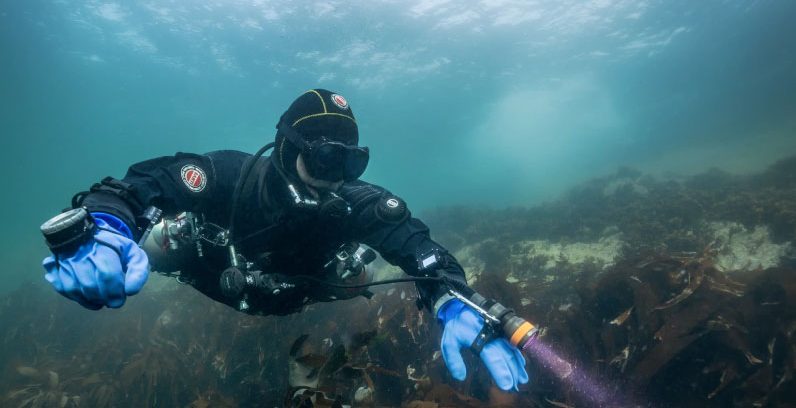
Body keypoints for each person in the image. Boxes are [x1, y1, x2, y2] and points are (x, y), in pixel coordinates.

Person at [39, 89, 528, 391]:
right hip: (213, 265)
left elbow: (417, 248)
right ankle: (164, 241)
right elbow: (151, 182)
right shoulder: (230, 175)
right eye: (324, 160)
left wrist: (453, 299)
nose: (335, 178)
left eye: (350, 164)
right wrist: (105, 222)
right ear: (289, 147)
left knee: (361, 279)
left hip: (304, 288)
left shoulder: (357, 202)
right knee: (154, 250)